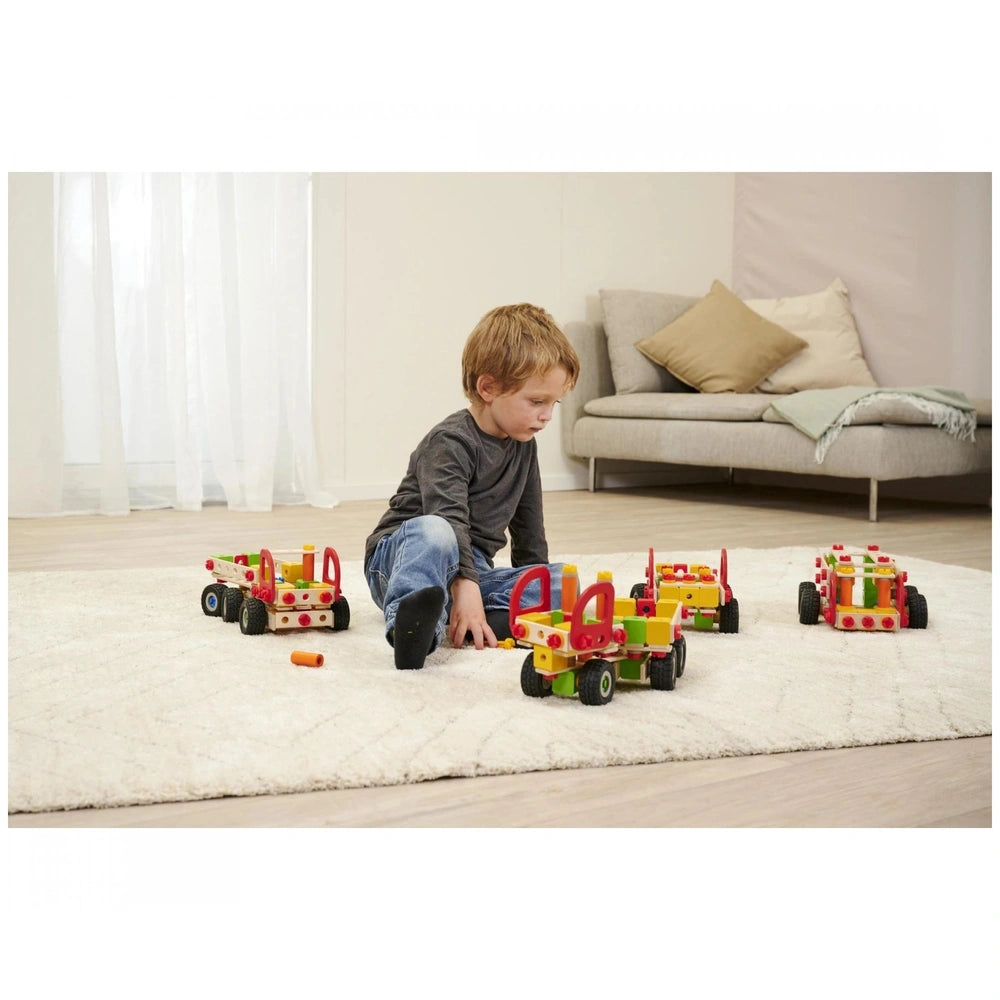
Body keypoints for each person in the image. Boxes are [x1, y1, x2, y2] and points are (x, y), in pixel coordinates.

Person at [364, 303, 581, 670]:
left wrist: (538, 587)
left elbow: (530, 529)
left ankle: (468, 618)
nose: (547, 415)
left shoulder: (525, 446)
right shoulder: (450, 442)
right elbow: (445, 517)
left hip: (473, 567)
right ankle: (413, 628)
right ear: (488, 388)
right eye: (536, 401)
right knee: (437, 532)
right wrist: (465, 583)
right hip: (408, 557)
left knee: (564, 583)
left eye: (553, 403)